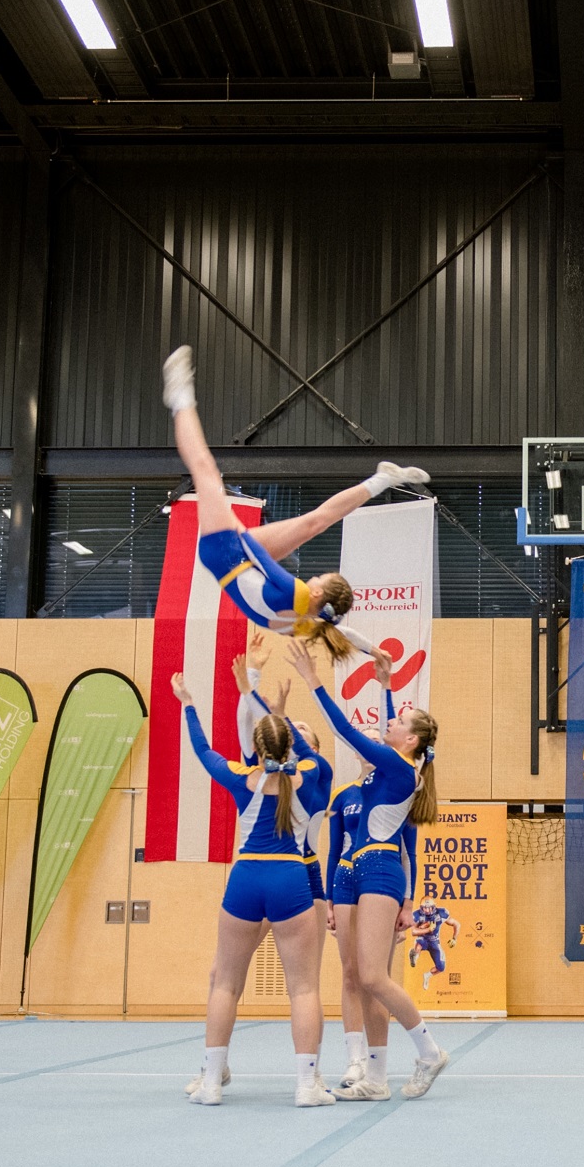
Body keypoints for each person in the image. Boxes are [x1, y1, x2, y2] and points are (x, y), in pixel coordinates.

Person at [161, 345, 425, 659]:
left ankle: (180, 399)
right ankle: (382, 479)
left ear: (316, 592)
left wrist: (229, 519)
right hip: (239, 564)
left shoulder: (295, 593)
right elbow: (341, 630)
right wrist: (375, 651)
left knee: (205, 470)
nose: (313, 576)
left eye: (319, 578)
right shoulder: (309, 625)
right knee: (316, 522)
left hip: (225, 552)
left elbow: (254, 550)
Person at [288, 639, 448, 1101]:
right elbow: (385, 726)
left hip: (380, 871)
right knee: (358, 976)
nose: (388, 726)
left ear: (411, 740)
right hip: (353, 872)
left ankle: (428, 1051)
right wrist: (385, 686)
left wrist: (313, 679)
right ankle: (375, 1078)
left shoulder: (400, 770)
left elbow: (343, 727)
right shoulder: (388, 763)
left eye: (397, 724)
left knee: (374, 976)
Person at [174, 656, 334, 1107]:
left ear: (258, 747)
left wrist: (189, 704)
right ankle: (306, 1086)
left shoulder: (241, 778)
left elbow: (203, 751)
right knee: (303, 987)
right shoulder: (315, 776)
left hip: (245, 877)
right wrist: (271, 707)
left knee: (225, 982)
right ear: (294, 742)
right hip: (290, 878)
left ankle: (210, 1085)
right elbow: (297, 751)